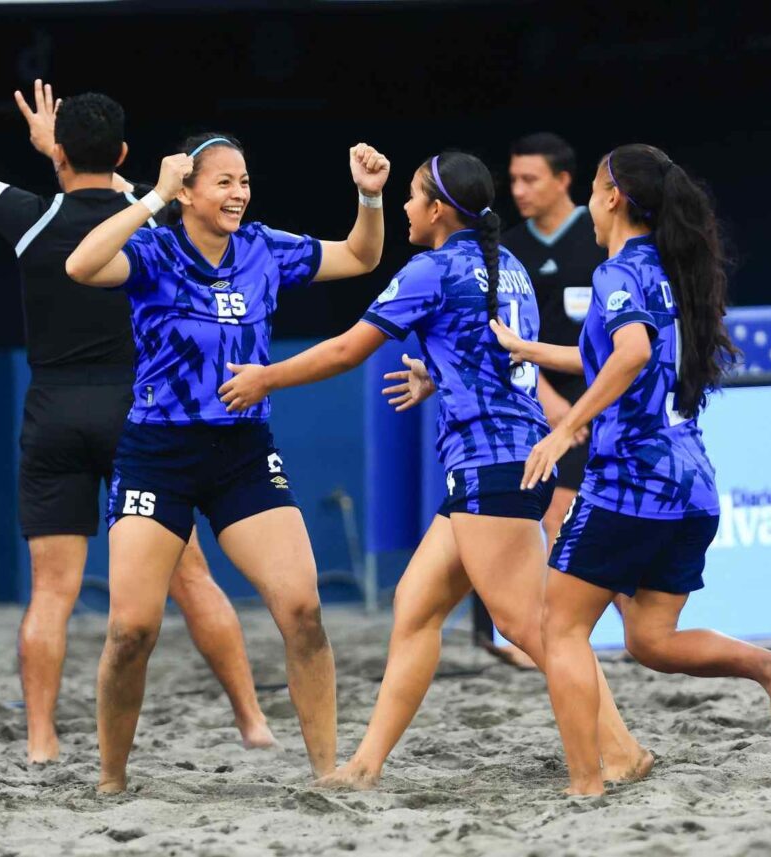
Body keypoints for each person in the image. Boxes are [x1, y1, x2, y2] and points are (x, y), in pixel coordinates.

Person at [218, 150, 650, 790]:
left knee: (532, 628)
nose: (405, 207)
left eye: (413, 196)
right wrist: (438, 375)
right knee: (416, 606)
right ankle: (365, 766)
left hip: (492, 465)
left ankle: (621, 749)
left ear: (439, 209)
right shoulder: (511, 267)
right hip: (504, 459)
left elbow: (347, 350)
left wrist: (266, 377)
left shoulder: (433, 269)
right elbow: (495, 361)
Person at [0, 33, 276, 764]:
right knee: (190, 576)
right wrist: (72, 154)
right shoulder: (156, 212)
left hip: (53, 412)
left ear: (60, 155)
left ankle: (41, 741)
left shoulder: (31, 218)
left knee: (52, 591)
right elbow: (151, 195)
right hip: (140, 416)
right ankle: (253, 721)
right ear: (124, 153)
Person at [65, 131, 389, 793]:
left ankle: (327, 772)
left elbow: (361, 255)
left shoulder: (265, 249)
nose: (238, 193)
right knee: (131, 629)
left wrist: (369, 197)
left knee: (303, 610)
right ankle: (111, 779)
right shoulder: (155, 250)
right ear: (186, 192)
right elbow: (80, 266)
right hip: (158, 453)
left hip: (242, 452)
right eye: (223, 182)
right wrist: (151, 198)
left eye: (244, 181)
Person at [492, 143, 771, 795]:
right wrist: (529, 348)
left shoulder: (616, 273)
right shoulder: (668, 270)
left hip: (630, 483)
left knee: (559, 628)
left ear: (612, 198)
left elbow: (631, 353)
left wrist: (568, 427)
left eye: (593, 189)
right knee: (650, 640)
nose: (588, 203)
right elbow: (617, 353)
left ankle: (586, 781)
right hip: (692, 484)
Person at [472, 132, 607, 669]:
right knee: (553, 512)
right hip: (538, 401)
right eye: (514, 180)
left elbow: (626, 343)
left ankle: (579, 633)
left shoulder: (601, 239)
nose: (519, 190)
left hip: (603, 400)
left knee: (594, 518)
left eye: (531, 179)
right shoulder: (508, 250)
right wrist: (551, 401)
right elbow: (506, 338)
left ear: (564, 180)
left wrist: (591, 404)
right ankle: (549, 635)